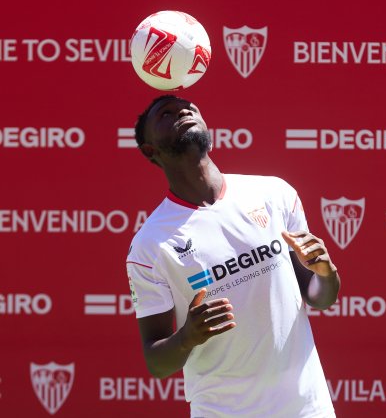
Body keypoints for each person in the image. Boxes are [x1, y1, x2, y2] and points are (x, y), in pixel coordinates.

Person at [126, 95, 341, 417]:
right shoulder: (150, 244)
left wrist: (327, 274)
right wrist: (186, 337)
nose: (183, 111)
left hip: (305, 407)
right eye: (166, 114)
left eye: (189, 107)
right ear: (150, 150)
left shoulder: (274, 194)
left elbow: (318, 297)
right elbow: (156, 362)